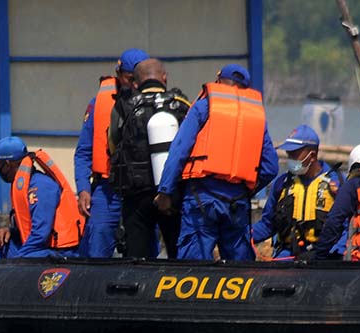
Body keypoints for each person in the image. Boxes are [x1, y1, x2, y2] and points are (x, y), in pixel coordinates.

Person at [154, 64, 278, 261]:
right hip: (237, 202)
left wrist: (165, 191)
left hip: (201, 197)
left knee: (193, 267)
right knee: (240, 270)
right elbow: (271, 167)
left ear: (219, 81)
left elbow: (179, 150)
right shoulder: (256, 116)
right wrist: (246, 189)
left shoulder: (204, 106)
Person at [108, 57, 190, 258]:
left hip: (137, 195)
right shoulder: (180, 103)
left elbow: (112, 144)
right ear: (164, 77)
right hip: (173, 193)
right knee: (178, 251)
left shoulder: (123, 106)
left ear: (135, 83)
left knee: (137, 255)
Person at [72, 47, 149, 257]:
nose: (134, 85)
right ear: (118, 75)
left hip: (144, 189)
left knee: (146, 249)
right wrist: (83, 189)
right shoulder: (99, 104)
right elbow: (83, 153)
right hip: (108, 188)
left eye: (138, 79)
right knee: (98, 238)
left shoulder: (157, 104)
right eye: (129, 78)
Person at [0, 136, 83, 261]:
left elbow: (40, 235)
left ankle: (4, 273)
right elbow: (26, 228)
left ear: (8, 164)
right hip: (34, 248)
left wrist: (16, 261)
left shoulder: (41, 186)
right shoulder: (23, 186)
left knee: (29, 255)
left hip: (55, 252)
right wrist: (10, 231)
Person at [252, 124, 345, 259]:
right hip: (287, 255)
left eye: (294, 154)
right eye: (288, 154)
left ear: (312, 156)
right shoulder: (281, 184)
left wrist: (337, 252)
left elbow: (346, 225)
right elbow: (267, 224)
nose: (289, 158)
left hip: (324, 255)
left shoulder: (337, 183)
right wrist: (243, 235)